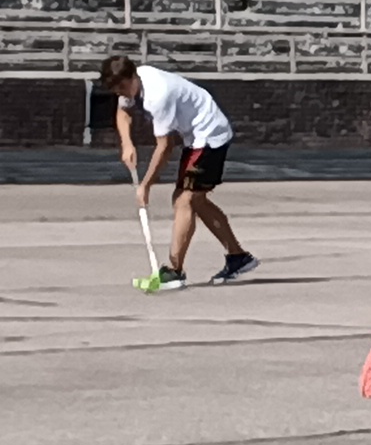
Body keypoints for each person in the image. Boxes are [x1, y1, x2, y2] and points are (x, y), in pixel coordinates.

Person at [96, 54, 257, 290]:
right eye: (115, 90)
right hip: (195, 136)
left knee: (184, 200)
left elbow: (165, 147)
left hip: (210, 135)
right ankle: (238, 256)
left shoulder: (157, 95)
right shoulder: (132, 84)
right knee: (195, 200)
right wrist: (127, 144)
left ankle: (175, 271)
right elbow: (123, 112)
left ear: (133, 77)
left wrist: (146, 186)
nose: (121, 93)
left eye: (122, 87)